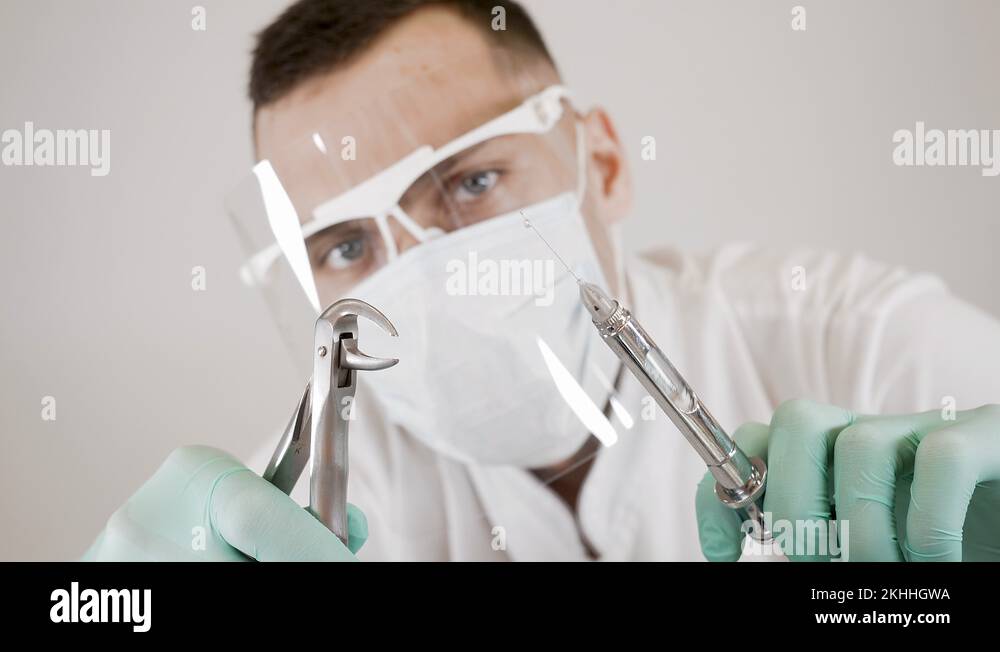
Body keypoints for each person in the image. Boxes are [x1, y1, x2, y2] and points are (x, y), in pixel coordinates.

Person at [83, 0, 1000, 562]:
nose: (420, 275)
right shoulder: (298, 510)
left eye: (471, 182)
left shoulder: (864, 346)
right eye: (345, 245)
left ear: (600, 162)